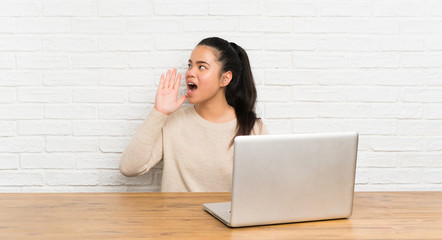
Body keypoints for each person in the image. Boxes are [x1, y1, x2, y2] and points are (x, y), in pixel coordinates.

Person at [119, 37, 269, 192]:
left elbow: (269, 186)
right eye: (189, 65)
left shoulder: (254, 129)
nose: (190, 72)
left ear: (225, 78)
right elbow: (129, 168)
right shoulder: (173, 121)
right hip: (177, 215)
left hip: (228, 216)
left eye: (201, 67)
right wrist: (159, 112)